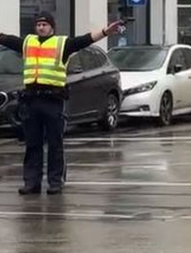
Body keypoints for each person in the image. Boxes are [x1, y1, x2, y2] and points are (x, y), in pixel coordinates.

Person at [0, 12, 124, 196]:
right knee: (32, 144)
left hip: (53, 101)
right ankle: (31, 183)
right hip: (32, 100)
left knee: (55, 144)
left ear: (52, 27)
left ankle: (55, 182)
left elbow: (84, 40)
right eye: (38, 24)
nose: (41, 27)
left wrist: (105, 32)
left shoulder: (61, 44)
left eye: (44, 24)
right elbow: (6, 39)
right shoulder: (27, 43)